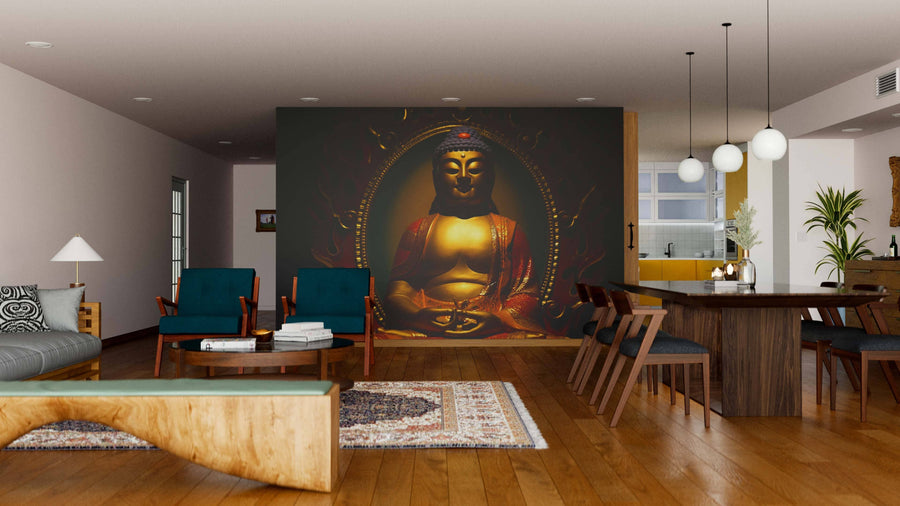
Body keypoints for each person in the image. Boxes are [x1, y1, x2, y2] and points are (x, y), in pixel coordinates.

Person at [384, 127, 544, 338]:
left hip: (490, 328)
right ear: (436, 177)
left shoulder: (509, 231)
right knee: (385, 339)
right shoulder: (419, 230)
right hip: (428, 328)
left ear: (490, 177)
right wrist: (418, 316)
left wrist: (498, 320)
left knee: (528, 341)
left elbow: (527, 295)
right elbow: (398, 292)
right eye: (452, 169)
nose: (463, 176)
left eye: (475, 169)